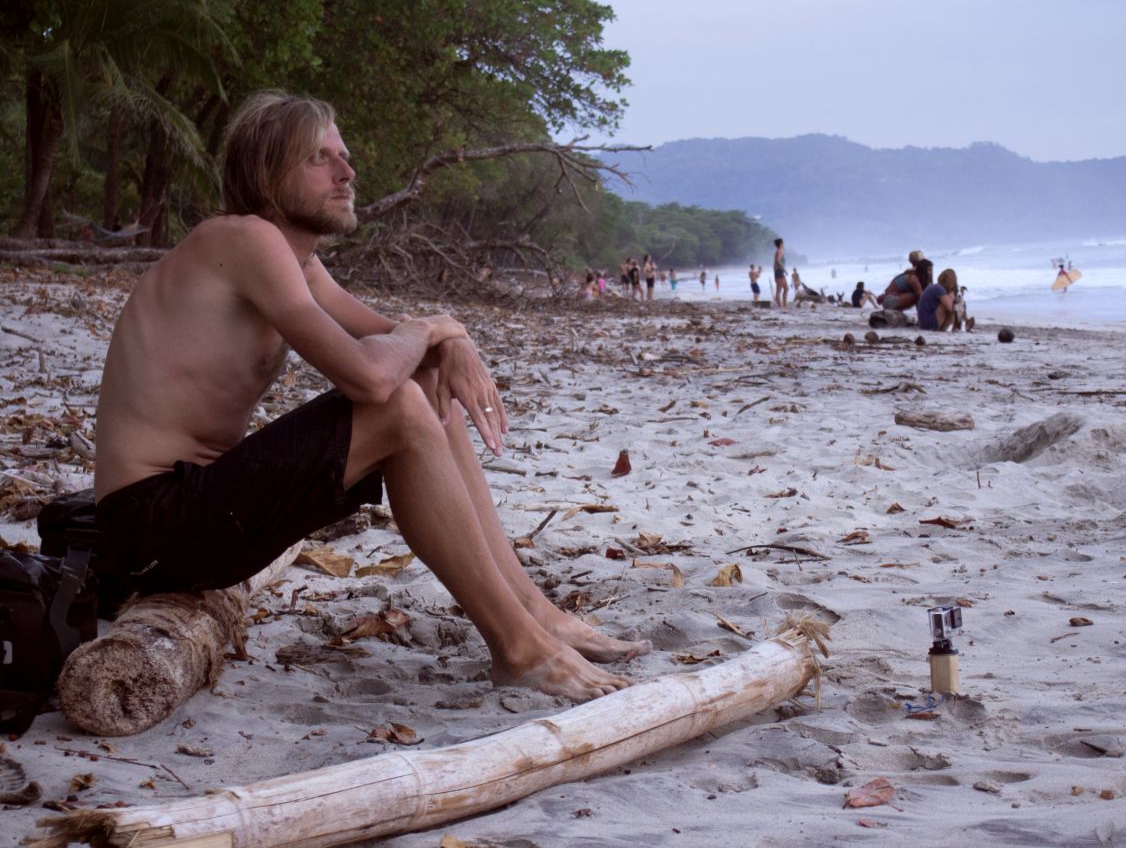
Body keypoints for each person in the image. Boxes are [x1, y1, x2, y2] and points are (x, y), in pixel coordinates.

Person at [91, 91, 648, 703]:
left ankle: (533, 612)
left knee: (421, 385)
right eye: (319, 158)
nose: (346, 172)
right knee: (399, 403)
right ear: (266, 173)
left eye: (344, 155)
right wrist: (436, 327)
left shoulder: (297, 263)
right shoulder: (242, 239)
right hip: (151, 526)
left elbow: (403, 346)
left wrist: (450, 336)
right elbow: (371, 378)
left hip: (197, 511)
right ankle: (519, 649)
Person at [772, 238, 788, 308]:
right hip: (779, 271)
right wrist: (784, 269)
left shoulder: (779, 250)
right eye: (783, 243)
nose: (784, 244)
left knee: (786, 288)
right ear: (781, 244)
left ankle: (784, 305)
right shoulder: (779, 251)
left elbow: (774, 263)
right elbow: (778, 261)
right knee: (779, 290)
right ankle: (781, 306)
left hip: (778, 271)